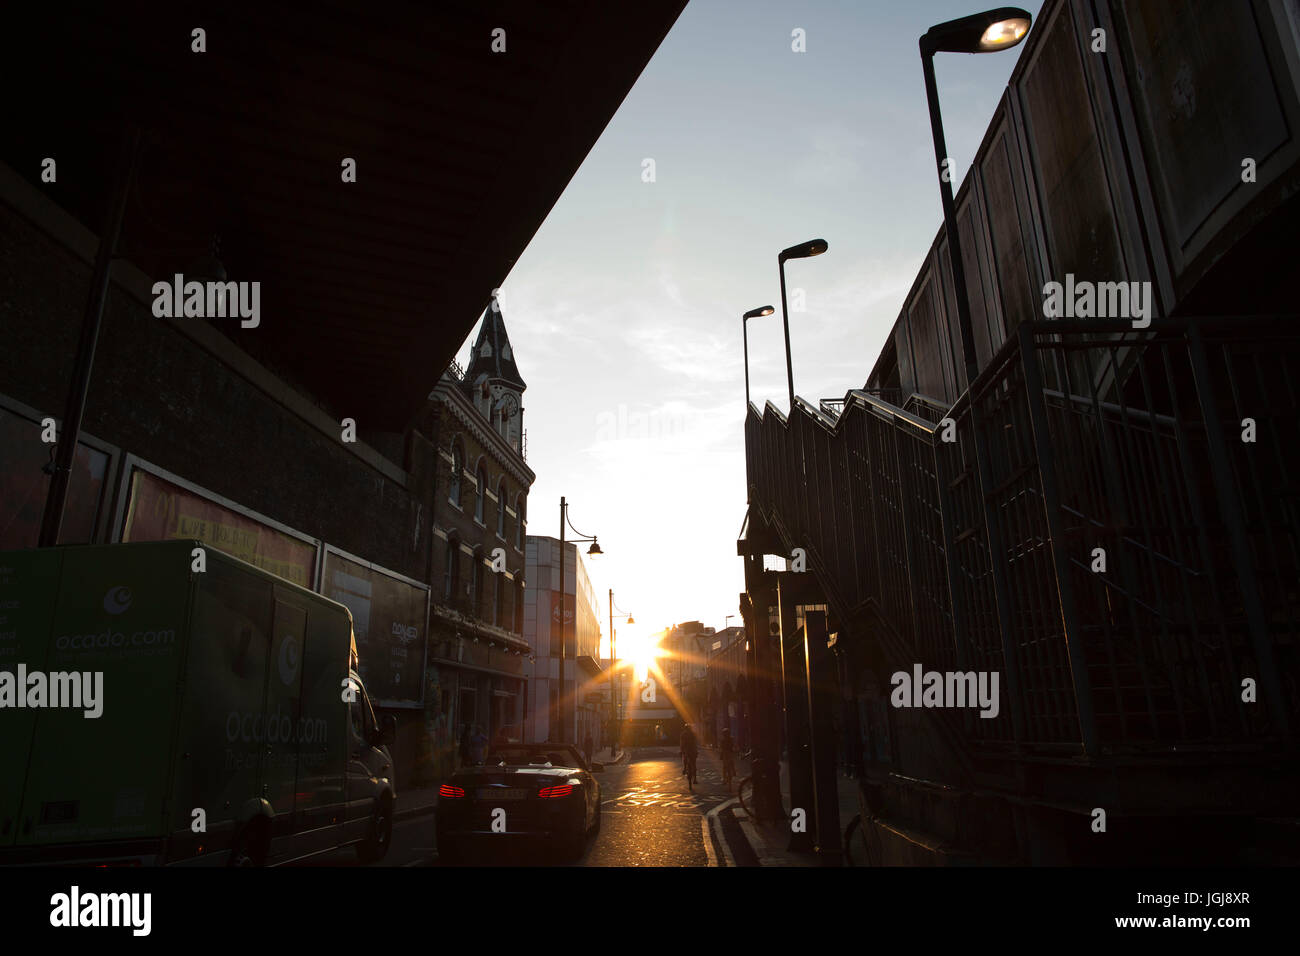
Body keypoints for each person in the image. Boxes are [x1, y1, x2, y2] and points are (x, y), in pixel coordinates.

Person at [680, 723, 699, 789]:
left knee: (686, 760)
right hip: (691, 750)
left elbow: (682, 744)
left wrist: (681, 751)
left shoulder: (683, 734)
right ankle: (695, 779)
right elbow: (695, 743)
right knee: (694, 764)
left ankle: (685, 769)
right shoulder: (693, 734)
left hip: (688, 750)